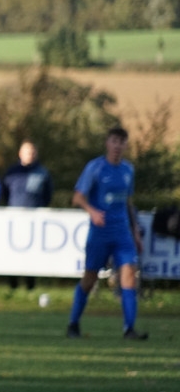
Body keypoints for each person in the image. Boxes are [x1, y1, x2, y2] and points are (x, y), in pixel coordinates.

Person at [67, 126, 147, 340]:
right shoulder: (95, 168)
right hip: (100, 233)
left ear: (125, 145)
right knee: (90, 279)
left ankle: (129, 329)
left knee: (129, 275)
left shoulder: (128, 170)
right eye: (114, 141)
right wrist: (92, 211)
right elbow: (77, 197)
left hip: (122, 233)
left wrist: (135, 233)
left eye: (121, 142)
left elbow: (129, 203)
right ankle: (73, 323)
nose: (117, 146)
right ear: (107, 143)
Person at [2, 140, 53, 292]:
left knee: (32, 253)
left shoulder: (42, 172)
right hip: (15, 218)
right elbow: (5, 192)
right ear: (20, 153)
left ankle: (30, 287)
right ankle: (13, 286)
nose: (30, 155)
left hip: (34, 219)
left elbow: (48, 194)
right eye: (27, 152)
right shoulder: (12, 172)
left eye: (32, 152)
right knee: (13, 252)